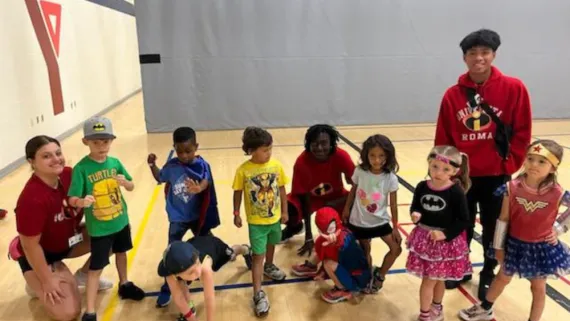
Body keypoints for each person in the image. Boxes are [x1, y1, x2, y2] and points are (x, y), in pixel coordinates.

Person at [434, 28, 532, 296]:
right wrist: (445, 172)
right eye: (472, 53)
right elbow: (443, 137)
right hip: (461, 176)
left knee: (493, 228)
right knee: (459, 225)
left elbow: (523, 131)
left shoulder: (514, 88)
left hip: (496, 174)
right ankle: (460, 266)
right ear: (464, 58)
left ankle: (488, 271)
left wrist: (509, 164)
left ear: (494, 55)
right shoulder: (452, 95)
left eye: (485, 53)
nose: (479, 58)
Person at [458, 140, 570, 321]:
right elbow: (503, 219)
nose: (534, 164)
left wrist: (558, 228)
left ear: (553, 167)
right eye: (531, 159)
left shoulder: (557, 192)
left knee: (538, 287)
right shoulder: (512, 187)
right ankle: (485, 308)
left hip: (540, 248)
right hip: (514, 244)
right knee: (502, 277)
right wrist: (498, 247)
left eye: (542, 161)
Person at [10, 135, 112, 321]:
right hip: (39, 251)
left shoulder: (69, 174)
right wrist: (48, 280)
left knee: (115, 233)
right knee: (68, 313)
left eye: (58, 153)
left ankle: (82, 276)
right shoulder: (31, 199)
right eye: (46, 156)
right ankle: (37, 280)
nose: (56, 159)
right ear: (32, 162)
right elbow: (30, 246)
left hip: (67, 239)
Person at [68, 116, 145, 321]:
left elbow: (130, 185)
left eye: (105, 141)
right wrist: (81, 202)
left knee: (122, 253)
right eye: (96, 142)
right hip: (100, 228)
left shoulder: (115, 162)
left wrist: (125, 183)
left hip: (120, 220)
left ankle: (125, 284)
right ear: (86, 142)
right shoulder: (81, 169)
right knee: (96, 267)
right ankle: (91, 310)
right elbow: (71, 198)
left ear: (112, 140)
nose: (101, 146)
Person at [147, 126, 221, 307]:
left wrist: (199, 188)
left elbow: (206, 180)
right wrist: (152, 165)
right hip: (177, 218)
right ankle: (167, 288)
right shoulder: (172, 166)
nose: (184, 155)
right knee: (171, 253)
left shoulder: (201, 165)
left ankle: (227, 255)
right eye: (180, 151)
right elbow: (160, 177)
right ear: (174, 148)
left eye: (188, 151)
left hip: (198, 217)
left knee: (207, 243)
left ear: (196, 146)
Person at [406, 145, 473, 321]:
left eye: (445, 169)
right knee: (433, 278)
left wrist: (445, 234)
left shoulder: (455, 191)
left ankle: (428, 312)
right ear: (429, 163)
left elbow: (465, 220)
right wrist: (415, 215)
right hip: (424, 239)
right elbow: (416, 206)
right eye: (434, 166)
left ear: (455, 171)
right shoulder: (422, 186)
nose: (438, 172)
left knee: (435, 279)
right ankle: (430, 310)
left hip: (444, 243)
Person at [232, 126, 289, 317]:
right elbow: (237, 192)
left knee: (272, 244)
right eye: (265, 150)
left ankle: (270, 266)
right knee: (258, 256)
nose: (269, 153)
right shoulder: (243, 171)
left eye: (270, 149)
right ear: (251, 150)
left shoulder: (276, 166)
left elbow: (281, 190)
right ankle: (258, 293)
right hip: (256, 222)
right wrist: (236, 212)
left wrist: (285, 212)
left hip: (275, 219)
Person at [282, 124, 355, 257]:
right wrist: (309, 236)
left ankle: (348, 234)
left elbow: (357, 186)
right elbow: (303, 198)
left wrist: (341, 205)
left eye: (324, 143)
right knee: (287, 208)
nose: (319, 148)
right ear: (308, 144)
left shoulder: (341, 156)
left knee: (356, 204)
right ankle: (295, 227)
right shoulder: (302, 162)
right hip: (311, 199)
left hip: (336, 197)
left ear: (332, 143)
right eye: (314, 143)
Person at [341, 134, 402, 292]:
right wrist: (346, 209)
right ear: (366, 155)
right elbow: (353, 191)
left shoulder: (390, 177)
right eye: (372, 155)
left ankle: (380, 275)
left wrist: (395, 227)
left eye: (381, 156)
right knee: (365, 251)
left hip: (380, 221)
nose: (376, 160)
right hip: (359, 221)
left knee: (396, 249)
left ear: (388, 156)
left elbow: (393, 204)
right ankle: (366, 279)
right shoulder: (360, 171)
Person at [156, 235, 252, 321]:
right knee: (181, 284)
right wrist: (191, 318)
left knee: (231, 253)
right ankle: (191, 307)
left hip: (214, 247)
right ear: (176, 274)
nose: (198, 272)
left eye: (197, 264)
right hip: (194, 247)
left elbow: (209, 298)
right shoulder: (168, 270)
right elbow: (178, 297)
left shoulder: (204, 268)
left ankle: (245, 249)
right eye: (191, 272)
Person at [313, 207, 371, 303]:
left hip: (358, 280)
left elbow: (338, 250)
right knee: (326, 258)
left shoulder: (343, 241)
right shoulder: (343, 231)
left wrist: (334, 244)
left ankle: (343, 291)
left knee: (328, 263)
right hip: (358, 274)